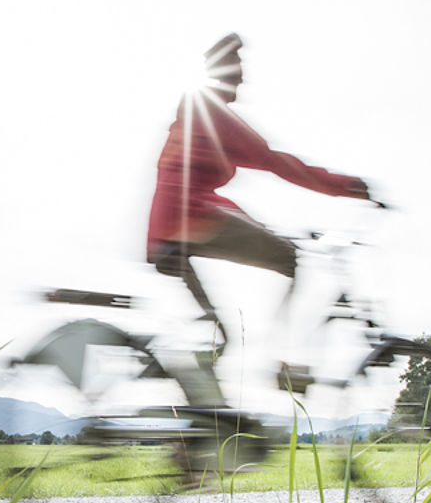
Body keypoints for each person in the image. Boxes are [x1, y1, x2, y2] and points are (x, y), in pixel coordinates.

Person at [146, 34, 372, 353]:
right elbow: (276, 162)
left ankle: (193, 387)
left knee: (218, 334)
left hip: (164, 232)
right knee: (289, 257)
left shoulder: (190, 118)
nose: (243, 79)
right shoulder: (215, 116)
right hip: (191, 217)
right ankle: (282, 357)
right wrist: (348, 186)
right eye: (237, 72)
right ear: (223, 73)